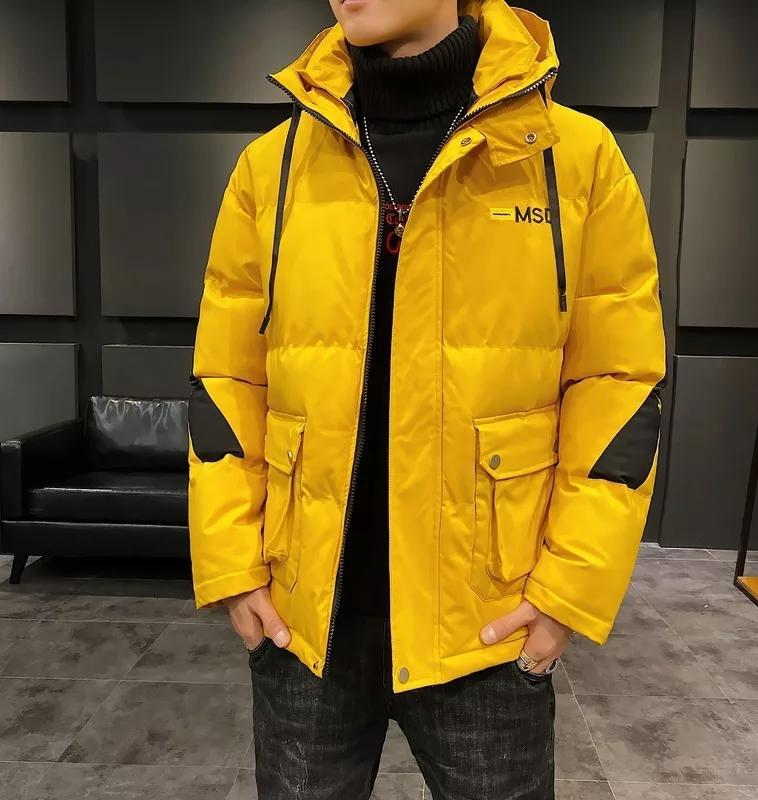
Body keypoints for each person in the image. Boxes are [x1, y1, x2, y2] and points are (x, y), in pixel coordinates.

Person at [186, 0, 667, 797]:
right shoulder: (270, 169)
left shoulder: (572, 158)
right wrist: (234, 566)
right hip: (305, 624)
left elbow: (618, 386)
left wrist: (567, 593)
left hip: (488, 625)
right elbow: (227, 380)